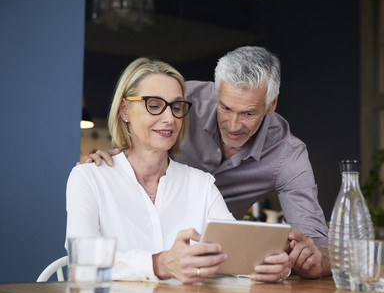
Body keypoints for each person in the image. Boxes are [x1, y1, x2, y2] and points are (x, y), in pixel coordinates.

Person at [86, 46, 331, 278]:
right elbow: (141, 138)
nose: (233, 126)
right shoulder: (179, 104)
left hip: (210, 270)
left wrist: (302, 261)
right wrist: (112, 161)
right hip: (149, 256)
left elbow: (316, 250)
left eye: (248, 113)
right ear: (216, 92)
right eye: (225, 108)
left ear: (271, 104)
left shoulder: (287, 155)